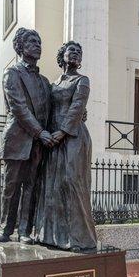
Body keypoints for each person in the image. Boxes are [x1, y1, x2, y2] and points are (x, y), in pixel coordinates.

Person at [35, 41, 97, 252]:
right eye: (72, 51)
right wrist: (45, 135)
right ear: (62, 56)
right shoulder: (54, 84)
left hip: (73, 137)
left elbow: (78, 107)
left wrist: (61, 132)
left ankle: (79, 239)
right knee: (52, 186)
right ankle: (51, 236)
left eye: (79, 52)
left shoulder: (83, 80)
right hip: (53, 140)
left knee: (72, 183)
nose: (77, 54)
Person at [0, 28, 54, 243]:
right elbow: (19, 108)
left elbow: (54, 108)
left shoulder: (45, 82)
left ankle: (24, 230)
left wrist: (78, 114)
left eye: (39, 41)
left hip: (38, 144)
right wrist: (41, 133)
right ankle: (5, 228)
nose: (38, 44)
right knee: (11, 188)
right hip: (19, 140)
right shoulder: (12, 74)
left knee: (31, 187)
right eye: (32, 41)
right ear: (20, 46)